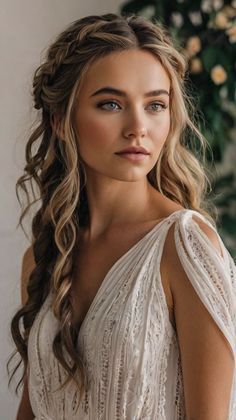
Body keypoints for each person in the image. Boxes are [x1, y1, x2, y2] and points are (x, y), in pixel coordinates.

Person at [7, 12, 236, 420]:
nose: (138, 127)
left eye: (155, 105)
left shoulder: (184, 245)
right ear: (61, 121)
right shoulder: (44, 258)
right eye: (111, 104)